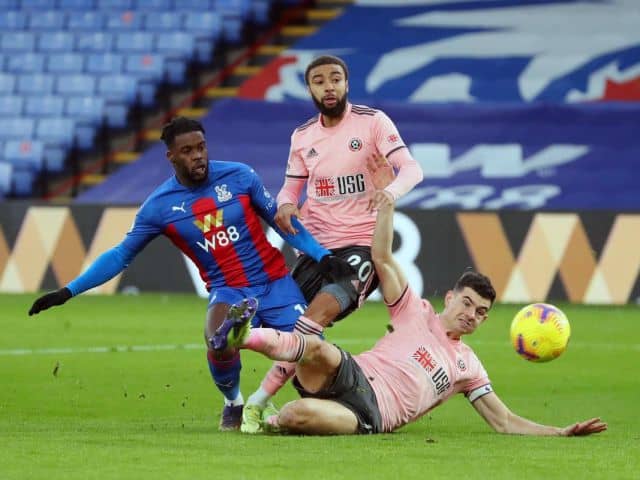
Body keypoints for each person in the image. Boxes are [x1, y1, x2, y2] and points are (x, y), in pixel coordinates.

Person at [209, 162, 608, 436]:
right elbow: (381, 258)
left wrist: (560, 432)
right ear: (450, 298)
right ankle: (240, 337)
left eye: (481, 313)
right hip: (353, 373)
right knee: (317, 347)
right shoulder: (413, 312)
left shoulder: (468, 367)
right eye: (467, 303)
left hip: (372, 413)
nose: (472, 315)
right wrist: (388, 203)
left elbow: (503, 422)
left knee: (296, 415)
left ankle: (270, 416)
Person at [27, 116, 353, 431]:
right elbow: (120, 255)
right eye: (187, 151)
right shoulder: (159, 207)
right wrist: (68, 291)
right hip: (229, 290)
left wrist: (322, 256)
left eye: (201, 147)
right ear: (171, 157)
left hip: (276, 284)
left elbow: (282, 223)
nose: (198, 155)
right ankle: (235, 403)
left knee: (313, 354)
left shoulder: (240, 176)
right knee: (218, 341)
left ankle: (269, 400)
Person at [240, 54, 425, 432]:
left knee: (315, 316)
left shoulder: (372, 122)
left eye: (336, 79)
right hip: (317, 250)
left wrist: (390, 192)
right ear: (309, 88)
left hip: (361, 248)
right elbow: (291, 186)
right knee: (296, 327)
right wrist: (287, 203)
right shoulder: (303, 136)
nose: (329, 86)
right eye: (320, 81)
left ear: (346, 84)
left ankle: (257, 400)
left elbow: (412, 168)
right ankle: (293, 393)